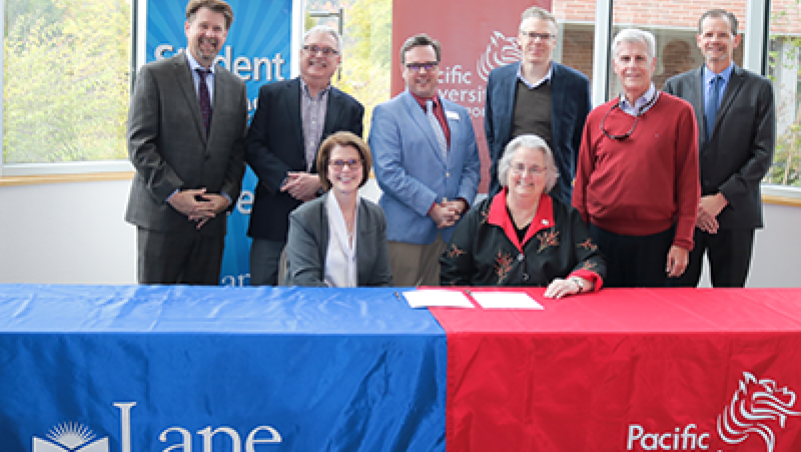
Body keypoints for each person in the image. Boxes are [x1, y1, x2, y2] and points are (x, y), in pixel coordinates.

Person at [125, 0, 247, 285]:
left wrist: (224, 199)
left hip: (210, 221)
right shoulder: (155, 75)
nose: (210, 34)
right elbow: (140, 143)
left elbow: (238, 150)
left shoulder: (235, 86)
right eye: (203, 26)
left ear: (225, 36)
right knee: (156, 311)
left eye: (217, 29)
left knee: (202, 313)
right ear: (187, 28)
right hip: (162, 217)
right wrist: (175, 195)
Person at [572, 28, 700, 287]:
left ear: (653, 64)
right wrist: (578, 242)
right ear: (615, 65)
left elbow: (689, 181)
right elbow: (582, 181)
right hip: (601, 239)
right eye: (625, 59)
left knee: (650, 321)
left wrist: (683, 241)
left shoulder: (680, 113)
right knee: (604, 320)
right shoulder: (597, 117)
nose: (633, 66)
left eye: (640, 59)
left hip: (656, 242)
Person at [664, 9, 775, 287]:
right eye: (709, 34)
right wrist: (695, 205)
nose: (716, 40)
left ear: (735, 40)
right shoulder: (675, 87)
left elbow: (762, 155)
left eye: (723, 34)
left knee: (729, 303)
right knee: (677, 301)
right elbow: (666, 153)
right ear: (699, 40)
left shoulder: (759, 88)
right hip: (685, 215)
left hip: (736, 214)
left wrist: (720, 199)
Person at [245, 25, 364, 285]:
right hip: (273, 215)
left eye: (327, 51)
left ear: (338, 60)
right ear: (300, 53)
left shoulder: (352, 109)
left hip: (324, 219)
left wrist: (320, 182)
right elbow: (253, 146)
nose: (318, 56)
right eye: (312, 48)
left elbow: (355, 164)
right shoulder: (272, 95)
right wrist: (287, 182)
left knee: (313, 298)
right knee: (263, 293)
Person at [369, 34, 481, 287]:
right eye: (414, 66)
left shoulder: (460, 114)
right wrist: (433, 208)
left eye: (429, 65)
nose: (422, 72)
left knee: (446, 313)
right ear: (402, 70)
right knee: (400, 312)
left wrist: (461, 204)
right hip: (406, 234)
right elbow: (388, 172)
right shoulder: (387, 113)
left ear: (439, 68)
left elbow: (472, 166)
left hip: (453, 233)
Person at [441, 135, 605, 298]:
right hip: (490, 316)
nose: (526, 176)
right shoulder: (477, 218)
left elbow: (593, 260)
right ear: (506, 170)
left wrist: (575, 282)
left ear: (548, 175)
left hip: (550, 314)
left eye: (535, 169)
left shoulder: (567, 217)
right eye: (519, 167)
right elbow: (452, 271)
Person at [484, 6, 591, 204]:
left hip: (556, 193)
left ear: (554, 42)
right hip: (507, 192)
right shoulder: (498, 79)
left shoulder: (576, 84)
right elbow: (492, 134)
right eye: (531, 34)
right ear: (519, 38)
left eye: (545, 36)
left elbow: (582, 140)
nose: (537, 42)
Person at [283, 132, 392, 287]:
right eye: (338, 163)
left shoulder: (375, 215)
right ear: (326, 171)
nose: (346, 169)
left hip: (361, 307)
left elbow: (381, 279)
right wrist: (344, 308)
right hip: (317, 306)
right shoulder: (304, 217)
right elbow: (306, 282)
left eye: (353, 162)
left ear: (364, 168)